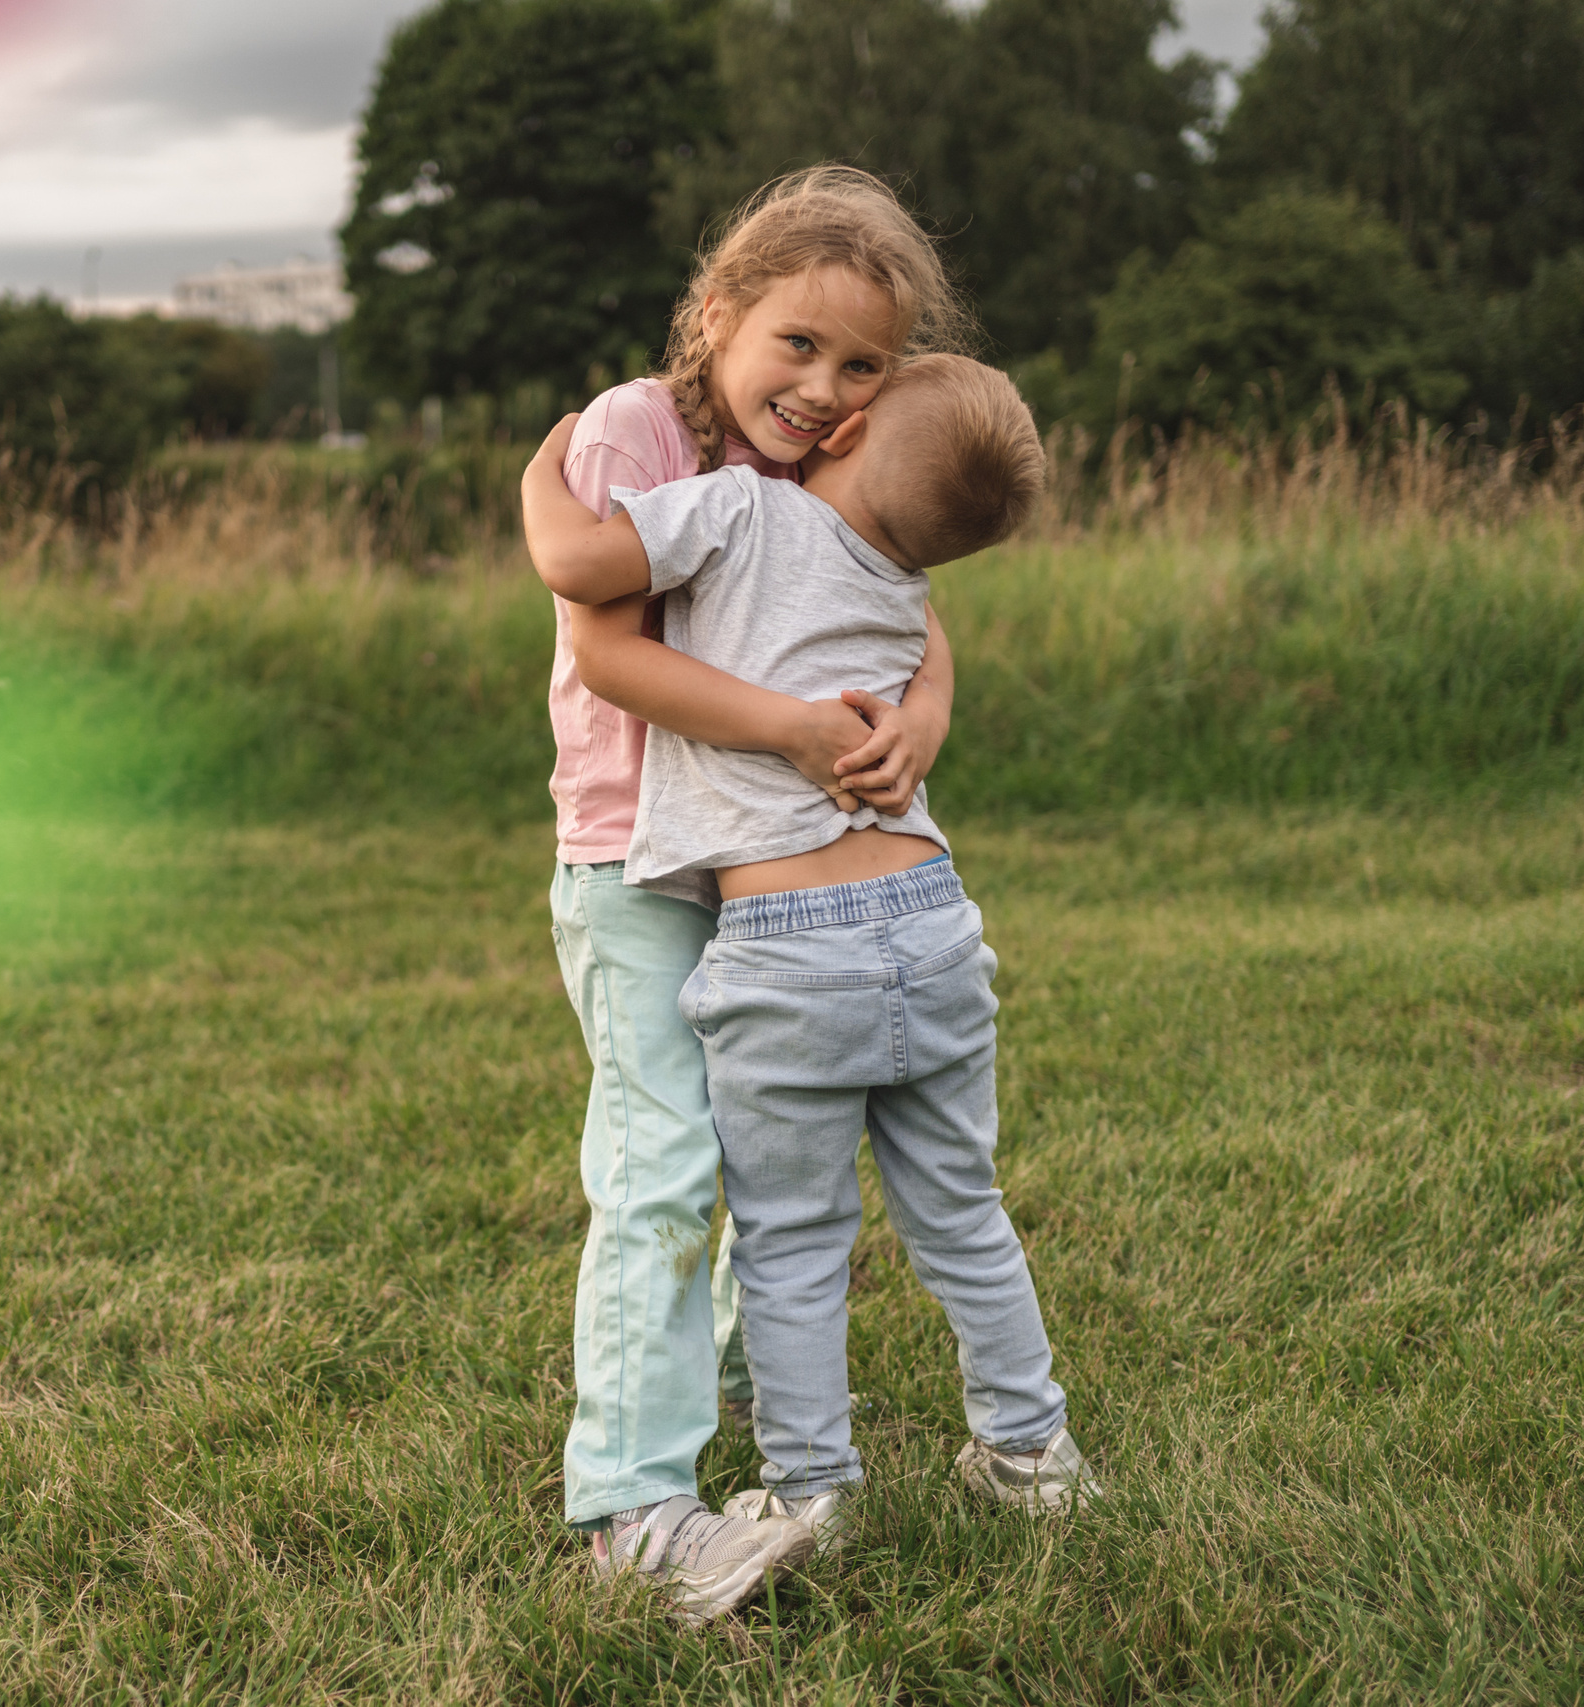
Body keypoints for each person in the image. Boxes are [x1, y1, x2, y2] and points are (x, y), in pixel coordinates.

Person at [525, 352, 1103, 1567]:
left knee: (789, 1238)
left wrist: (541, 466)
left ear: (841, 443)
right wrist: (926, 722)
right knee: (963, 1210)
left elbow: (580, 571)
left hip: (788, 948)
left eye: (860, 386)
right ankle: (1032, 1455)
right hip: (935, 920)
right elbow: (931, 664)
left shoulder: (738, 508)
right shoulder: (900, 581)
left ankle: (812, 1492)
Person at [538, 166, 966, 1623]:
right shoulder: (635, 431)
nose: (824, 386)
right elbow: (607, 646)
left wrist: (923, 720)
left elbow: (917, 613)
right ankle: (633, 1506)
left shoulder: (827, 473)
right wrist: (789, 726)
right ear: (719, 311)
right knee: (658, 1161)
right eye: (798, 344)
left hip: (774, 882)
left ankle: (714, 1408)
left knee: (756, 1165)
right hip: (631, 861)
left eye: (862, 364)